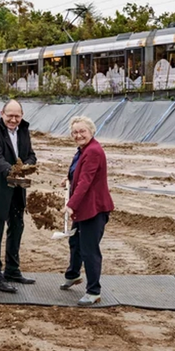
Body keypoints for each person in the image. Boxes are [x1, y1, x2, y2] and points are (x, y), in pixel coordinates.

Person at [0, 99, 37, 293]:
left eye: (17, 116)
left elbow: (30, 155)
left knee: (16, 228)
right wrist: (14, 170)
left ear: (22, 116)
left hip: (17, 188)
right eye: (10, 115)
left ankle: (12, 270)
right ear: (1, 113)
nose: (13, 119)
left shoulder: (23, 130)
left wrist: (28, 165)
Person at [60, 115, 114, 306]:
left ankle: (93, 291)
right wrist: (68, 180)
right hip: (84, 207)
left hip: (94, 209)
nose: (78, 135)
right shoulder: (82, 150)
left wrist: (70, 204)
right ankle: (73, 275)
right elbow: (77, 174)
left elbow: (86, 182)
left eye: (82, 131)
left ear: (91, 131)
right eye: (75, 132)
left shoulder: (94, 152)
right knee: (75, 242)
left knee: (89, 250)